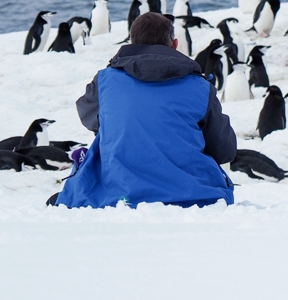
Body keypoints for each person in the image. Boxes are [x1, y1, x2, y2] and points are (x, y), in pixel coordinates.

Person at [55, 12, 237, 208]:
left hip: (119, 193)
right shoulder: (200, 87)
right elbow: (224, 151)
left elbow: (89, 117)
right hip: (193, 195)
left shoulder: (106, 81)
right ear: (175, 45)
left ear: (132, 42)